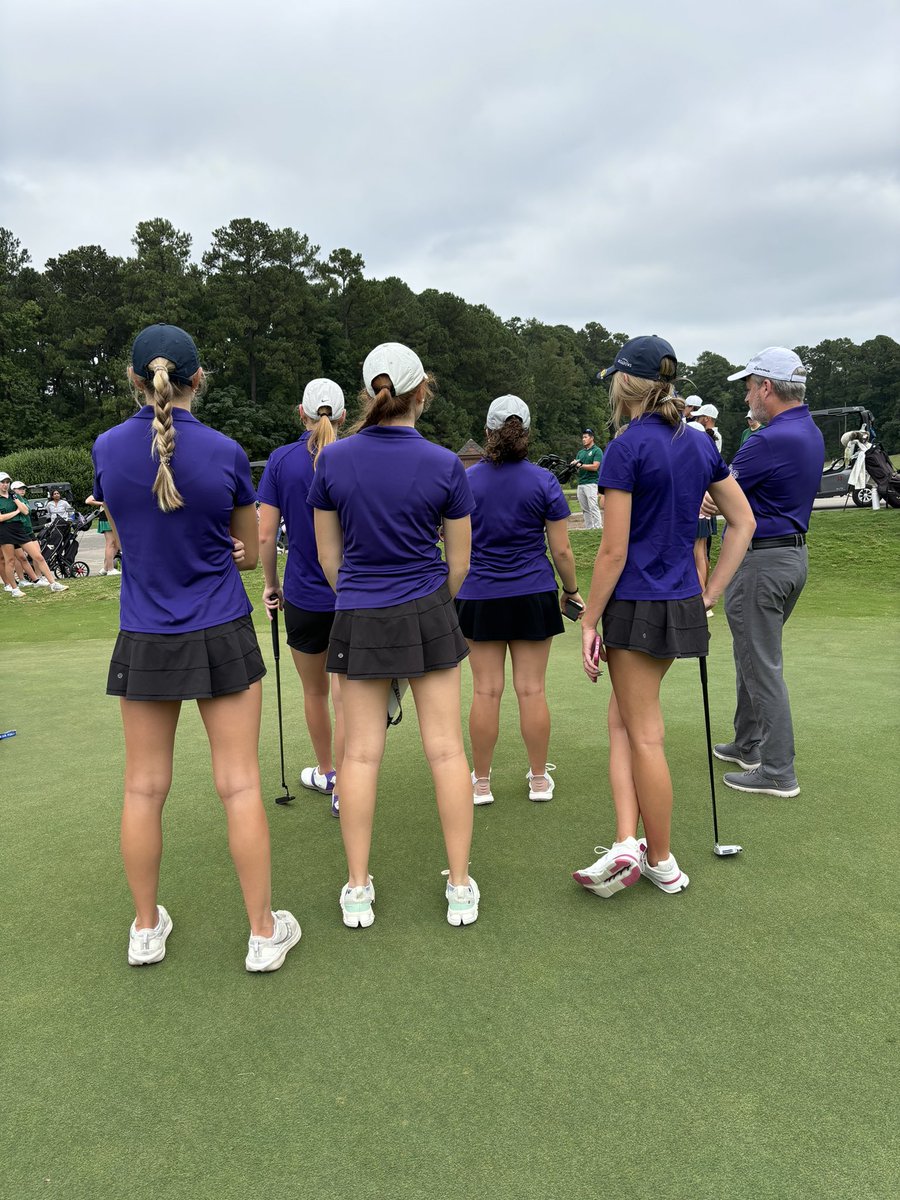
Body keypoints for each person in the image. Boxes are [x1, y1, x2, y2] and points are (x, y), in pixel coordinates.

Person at [92, 323, 300, 972]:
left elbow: (126, 533)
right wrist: (224, 548)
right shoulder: (227, 452)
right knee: (239, 786)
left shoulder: (106, 447)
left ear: (135, 380)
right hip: (219, 626)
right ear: (197, 379)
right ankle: (262, 933)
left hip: (145, 632)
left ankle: (145, 929)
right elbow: (245, 552)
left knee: (142, 789)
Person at [571, 335, 755, 899]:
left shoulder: (625, 447)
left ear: (625, 383)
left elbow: (613, 551)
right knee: (623, 719)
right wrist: (710, 592)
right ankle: (627, 839)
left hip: (636, 606)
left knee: (644, 734)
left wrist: (588, 621)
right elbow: (744, 523)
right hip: (679, 604)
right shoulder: (698, 442)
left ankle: (661, 859)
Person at [308, 342, 480, 929]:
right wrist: (430, 603)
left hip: (359, 610)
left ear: (367, 393)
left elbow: (329, 561)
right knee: (447, 751)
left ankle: (358, 889)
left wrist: (363, 595)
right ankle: (460, 886)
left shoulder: (332, 460)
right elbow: (459, 564)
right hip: (428, 608)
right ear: (421, 391)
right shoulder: (445, 463)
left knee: (358, 755)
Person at [455, 395, 584, 805]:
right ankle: (539, 780)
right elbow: (561, 550)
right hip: (532, 593)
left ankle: (481, 783)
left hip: (479, 596)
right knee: (531, 691)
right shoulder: (543, 481)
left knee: (485, 692)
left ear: (488, 431)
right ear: (525, 432)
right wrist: (571, 591)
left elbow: (452, 543)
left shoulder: (467, 480)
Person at [713, 347, 824, 798]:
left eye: (748, 388)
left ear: (766, 387)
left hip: (762, 562)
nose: (746, 398)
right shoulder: (808, 428)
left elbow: (718, 497)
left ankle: (777, 770)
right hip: (791, 559)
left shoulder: (767, 440)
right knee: (753, 654)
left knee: (760, 663)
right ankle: (748, 742)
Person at [258, 379, 346, 818]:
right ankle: (347, 785)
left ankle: (329, 772)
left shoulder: (280, 460)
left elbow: (265, 535)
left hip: (304, 597)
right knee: (346, 695)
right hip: (350, 594)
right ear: (343, 416)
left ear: (301, 413)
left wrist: (271, 585)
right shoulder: (356, 455)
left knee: (316, 692)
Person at [0, 473, 67, 595]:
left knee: (38, 556)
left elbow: (25, 511)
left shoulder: (14, 496)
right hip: (5, 530)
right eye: (2, 482)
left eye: (7, 482)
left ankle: (53, 583)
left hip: (19, 528)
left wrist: (15, 499)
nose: (5, 485)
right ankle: (14, 589)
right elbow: (1, 518)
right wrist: (16, 512)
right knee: (10, 561)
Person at [571, 429, 604, 529]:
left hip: (591, 483)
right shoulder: (580, 453)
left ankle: (598, 527)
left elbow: (595, 467)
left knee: (593, 506)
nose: (583, 439)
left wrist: (580, 465)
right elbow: (577, 468)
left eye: (586, 437)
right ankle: (589, 528)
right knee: (585, 509)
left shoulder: (597, 451)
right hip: (581, 483)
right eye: (583, 437)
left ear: (592, 438)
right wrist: (573, 465)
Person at [85, 493, 121, 574]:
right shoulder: (103, 490)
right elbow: (88, 501)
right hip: (106, 516)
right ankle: (110, 569)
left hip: (113, 516)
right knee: (110, 543)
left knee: (116, 545)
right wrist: (102, 503)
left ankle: (105, 568)